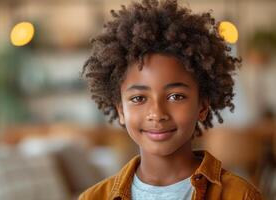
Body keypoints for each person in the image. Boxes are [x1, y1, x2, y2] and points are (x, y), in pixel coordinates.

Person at [79, 0, 262, 199]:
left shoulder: (240, 195)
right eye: (139, 98)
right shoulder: (93, 197)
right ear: (121, 110)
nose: (157, 114)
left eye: (176, 96)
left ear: (202, 105)